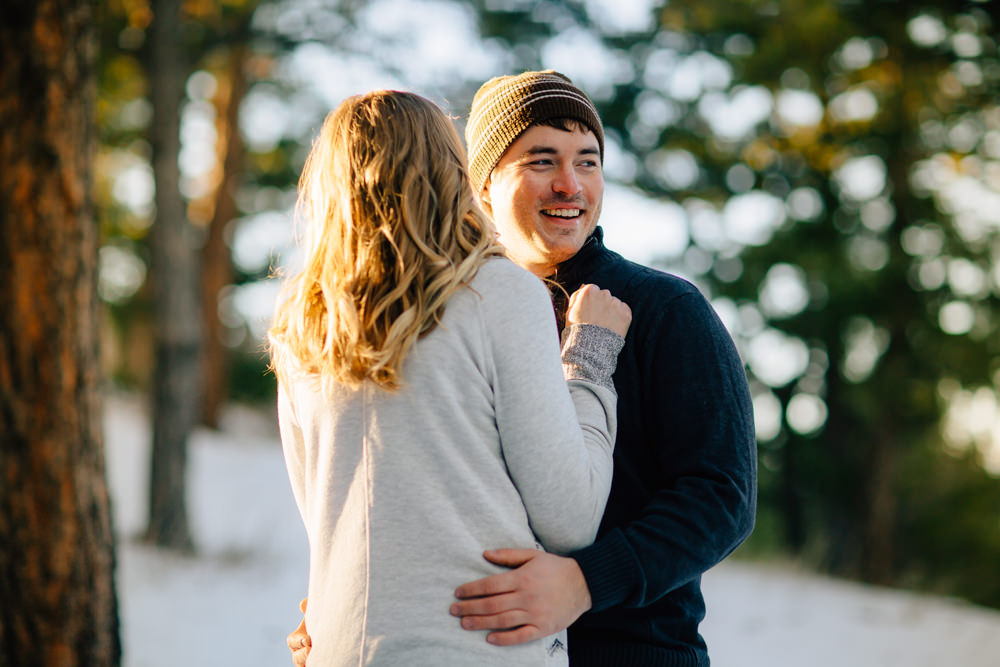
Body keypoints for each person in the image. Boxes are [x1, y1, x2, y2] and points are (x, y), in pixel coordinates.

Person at [270, 89, 632, 667]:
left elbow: (326, 522)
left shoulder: (303, 325)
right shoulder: (499, 292)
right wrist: (590, 354)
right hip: (477, 645)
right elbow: (571, 519)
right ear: (454, 173)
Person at [443, 71, 758, 665]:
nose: (570, 185)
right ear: (483, 186)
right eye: (542, 161)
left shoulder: (665, 309)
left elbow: (722, 496)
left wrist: (585, 582)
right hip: (481, 652)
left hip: (631, 651)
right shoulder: (452, 319)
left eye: (588, 163)